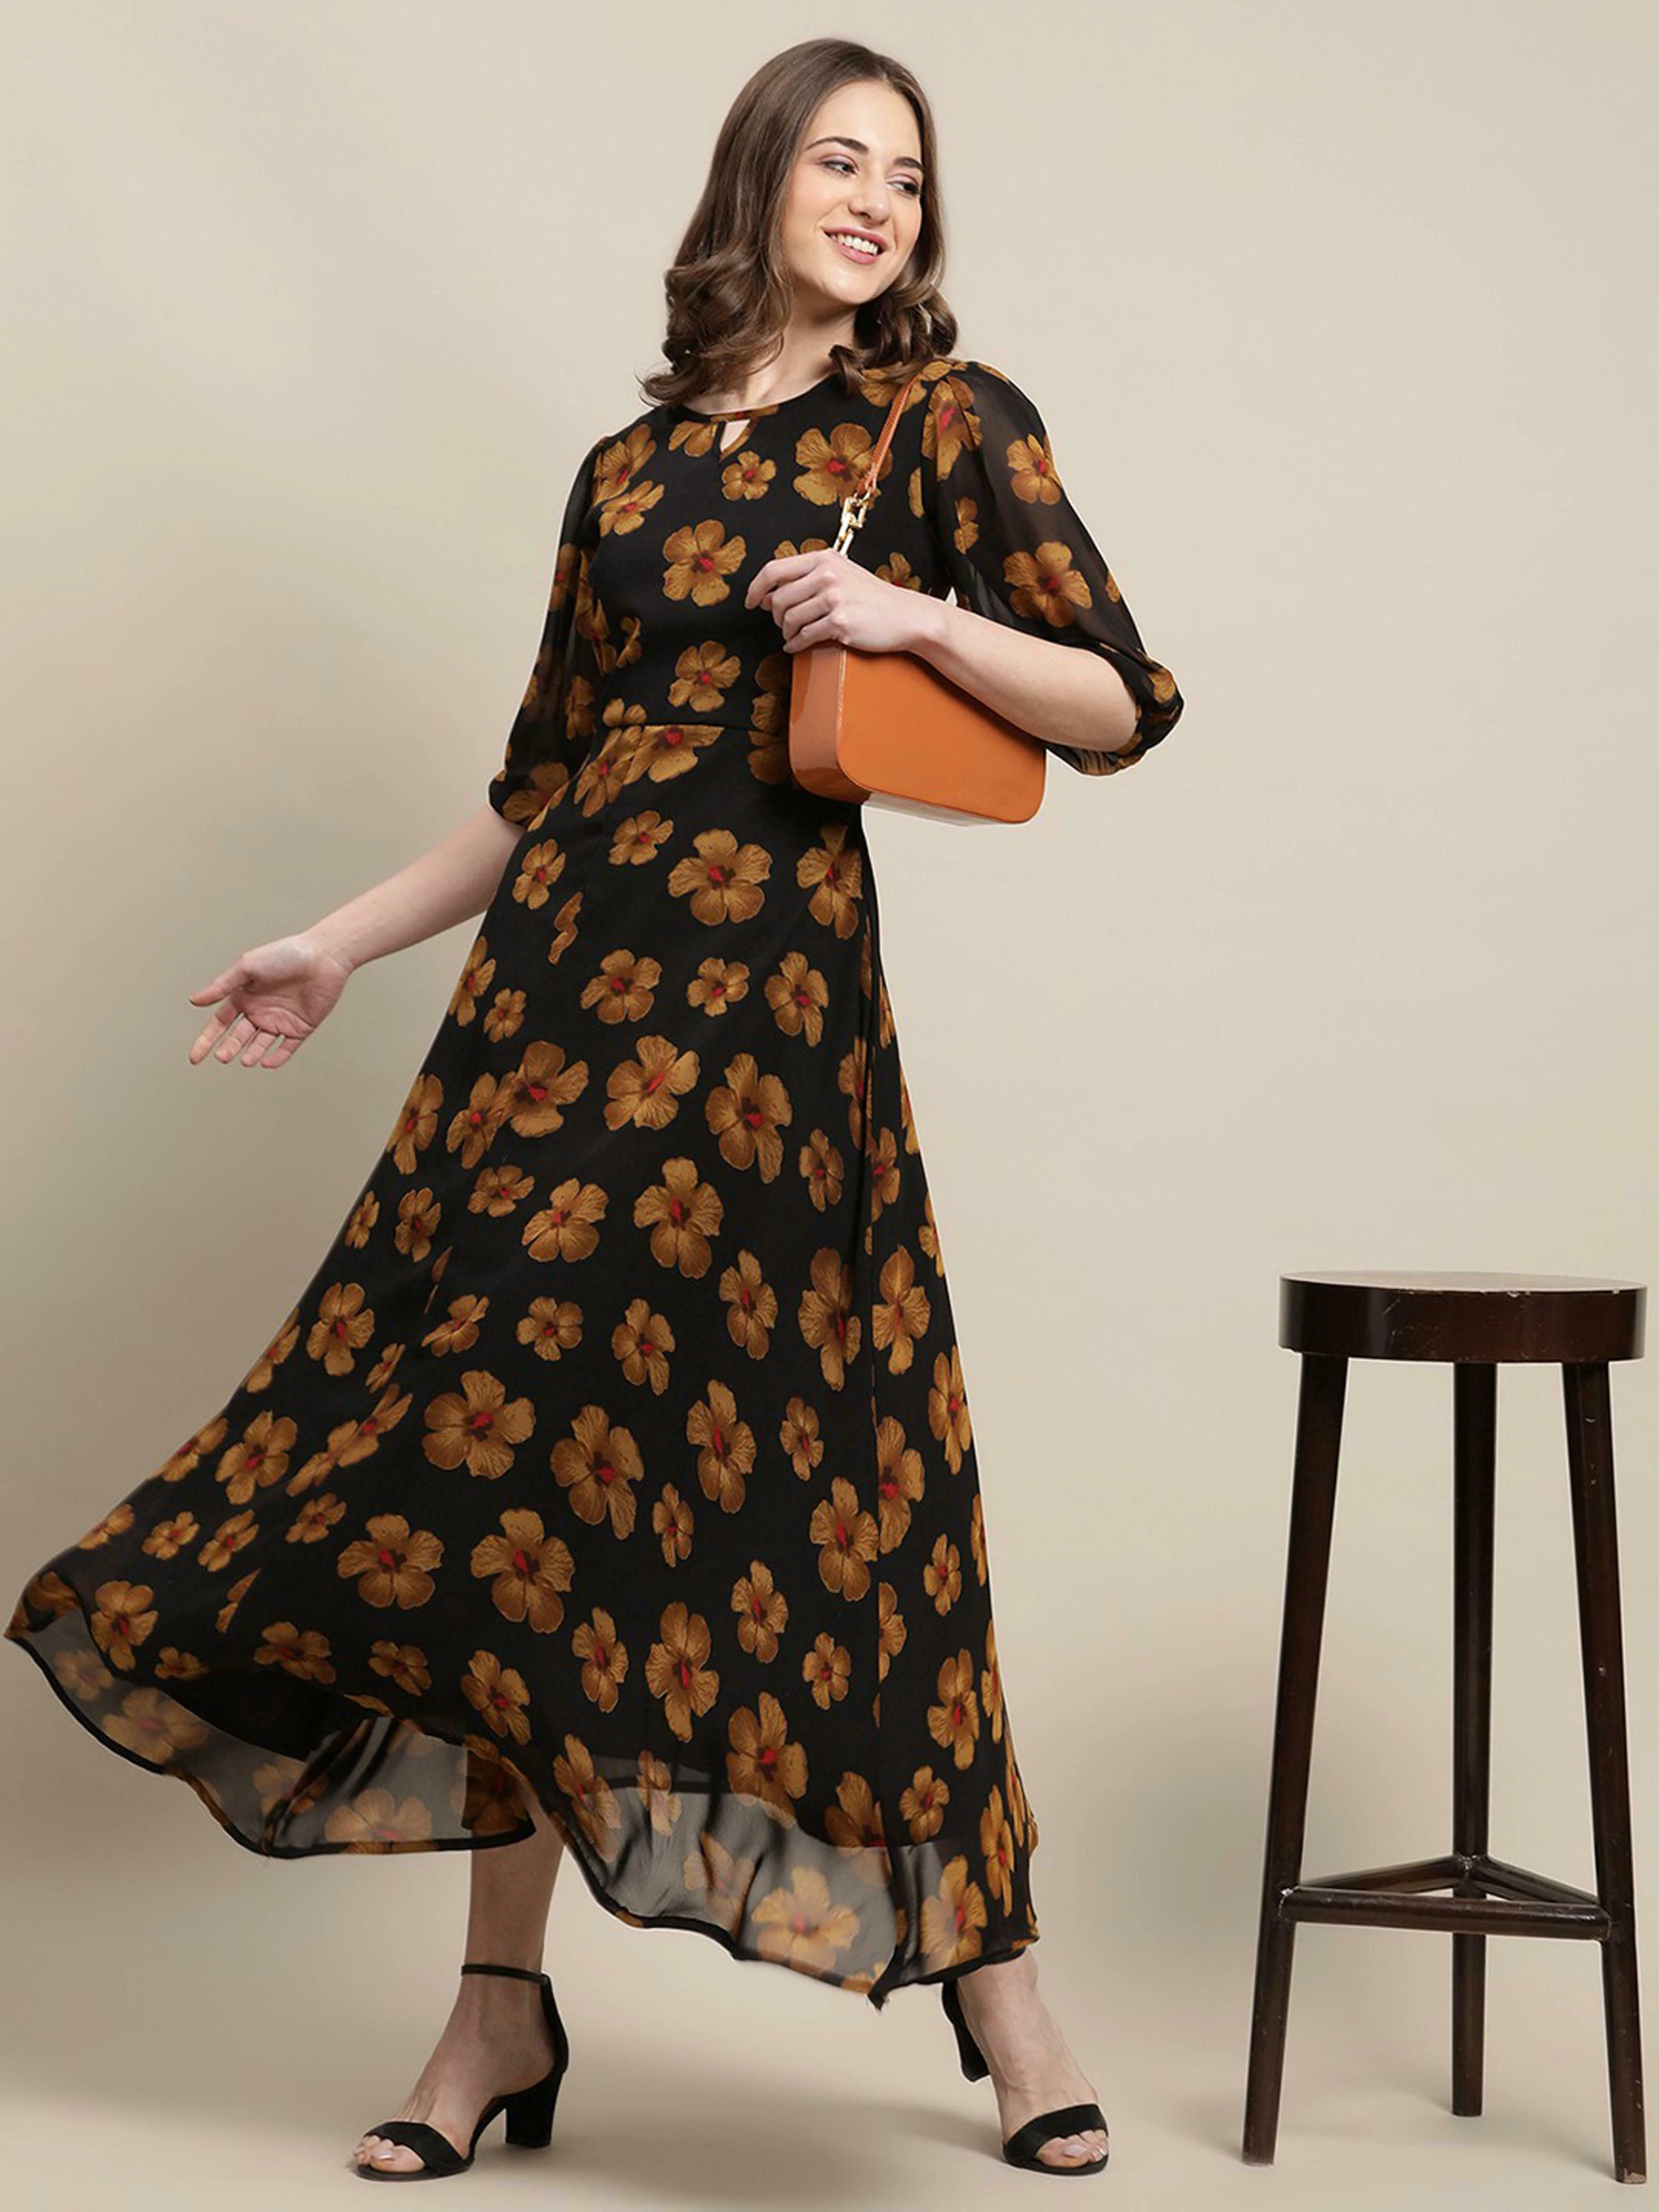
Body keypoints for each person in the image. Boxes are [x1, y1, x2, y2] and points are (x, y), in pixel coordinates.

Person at [6, 38, 1183, 2184]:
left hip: (769, 1039)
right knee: (508, 1493)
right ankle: (495, 2013)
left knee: (854, 1483)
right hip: (550, 1033)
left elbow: (1119, 698)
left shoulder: (941, 420)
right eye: (840, 161)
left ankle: (1001, 1994)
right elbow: (541, 786)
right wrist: (335, 945)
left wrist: (909, 613)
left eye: (908, 176)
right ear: (755, 182)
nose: (878, 201)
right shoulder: (624, 474)